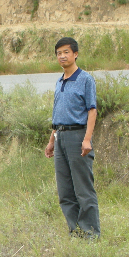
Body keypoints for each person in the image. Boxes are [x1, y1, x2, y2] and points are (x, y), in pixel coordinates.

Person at [45, 37, 100, 238]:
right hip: (60, 137)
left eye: (66, 52)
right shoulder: (60, 81)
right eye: (59, 53)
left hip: (78, 137)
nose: (62, 56)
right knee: (65, 191)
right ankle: (75, 230)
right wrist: (51, 141)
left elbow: (91, 111)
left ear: (75, 54)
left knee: (83, 189)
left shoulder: (85, 79)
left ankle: (90, 233)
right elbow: (57, 115)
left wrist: (87, 139)